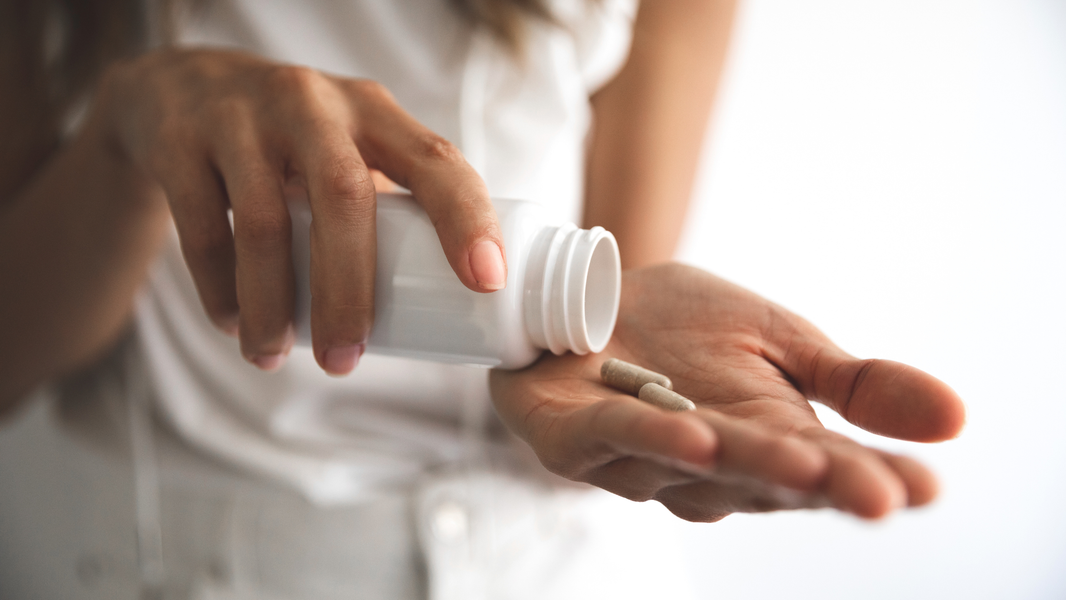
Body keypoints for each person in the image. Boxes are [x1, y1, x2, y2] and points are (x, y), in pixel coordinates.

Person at [0, 0, 965, 598]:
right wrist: (125, 135)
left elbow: (602, 303)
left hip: (558, 564)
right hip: (170, 563)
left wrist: (611, 374)